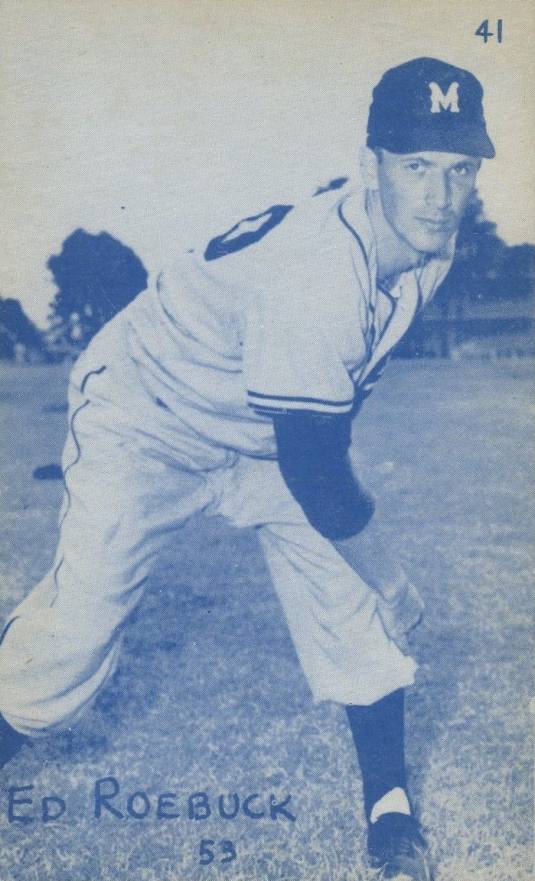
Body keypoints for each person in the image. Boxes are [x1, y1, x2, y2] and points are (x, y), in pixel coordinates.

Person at [0, 57, 494, 880]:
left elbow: (328, 409)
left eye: (458, 168)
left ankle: (389, 808)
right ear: (370, 163)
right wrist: (395, 578)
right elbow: (316, 465)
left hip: (258, 429)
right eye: (416, 166)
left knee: (348, 604)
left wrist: (358, 568)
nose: (441, 192)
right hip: (149, 414)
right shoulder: (318, 268)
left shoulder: (425, 246)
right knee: (70, 646)